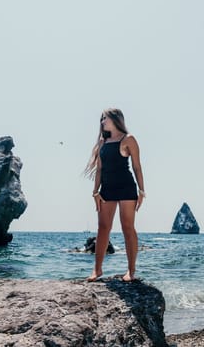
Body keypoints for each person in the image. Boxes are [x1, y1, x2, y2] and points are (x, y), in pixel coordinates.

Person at [84, 108, 145, 282]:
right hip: (107, 189)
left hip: (126, 188)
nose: (102, 121)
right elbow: (99, 170)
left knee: (127, 227)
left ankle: (131, 271)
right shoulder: (102, 143)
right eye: (102, 119)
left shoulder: (129, 139)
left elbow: (137, 167)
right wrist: (95, 191)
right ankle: (97, 270)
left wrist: (141, 190)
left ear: (116, 120)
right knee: (103, 227)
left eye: (105, 118)